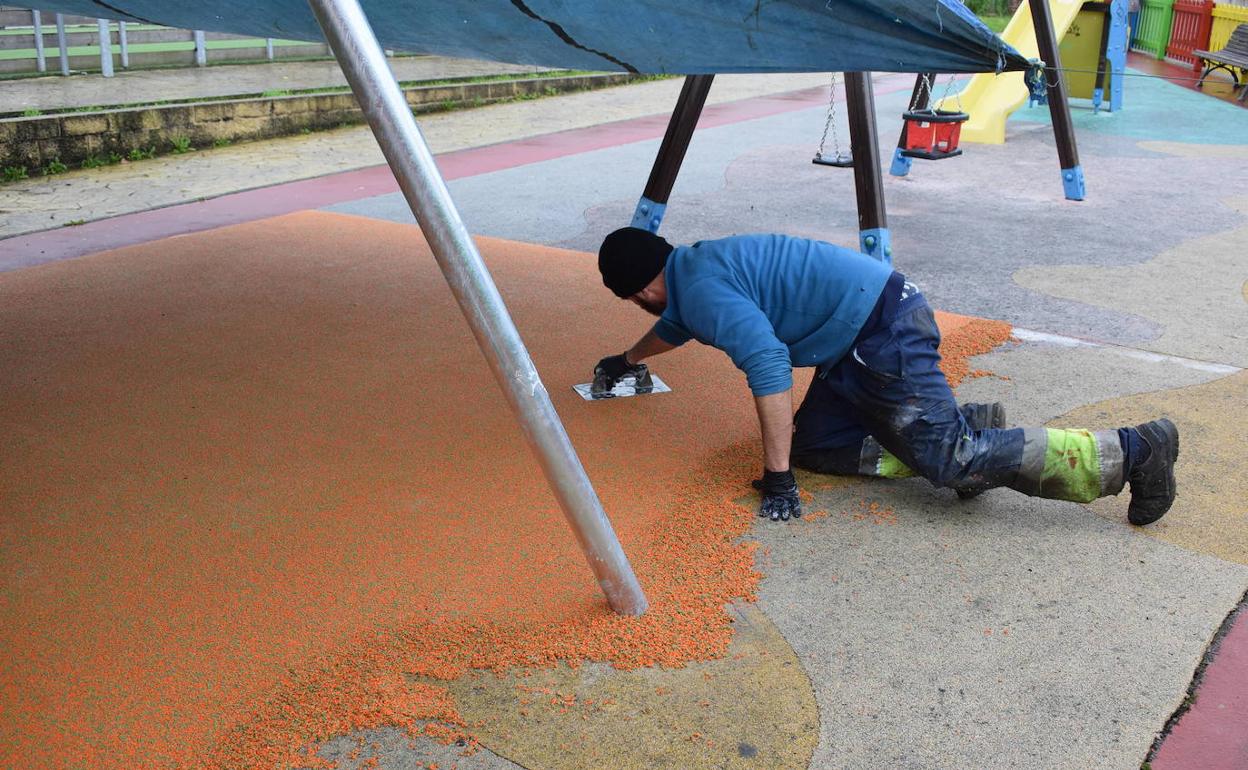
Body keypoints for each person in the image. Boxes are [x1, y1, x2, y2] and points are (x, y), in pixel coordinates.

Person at [592, 227, 1178, 523]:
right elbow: (675, 325)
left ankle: (1131, 452)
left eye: (634, 299)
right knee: (816, 445)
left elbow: (769, 367)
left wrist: (775, 481)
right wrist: (629, 359)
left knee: (953, 462)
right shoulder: (694, 270)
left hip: (882, 332)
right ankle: (964, 426)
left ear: (641, 289)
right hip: (854, 339)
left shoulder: (699, 293)